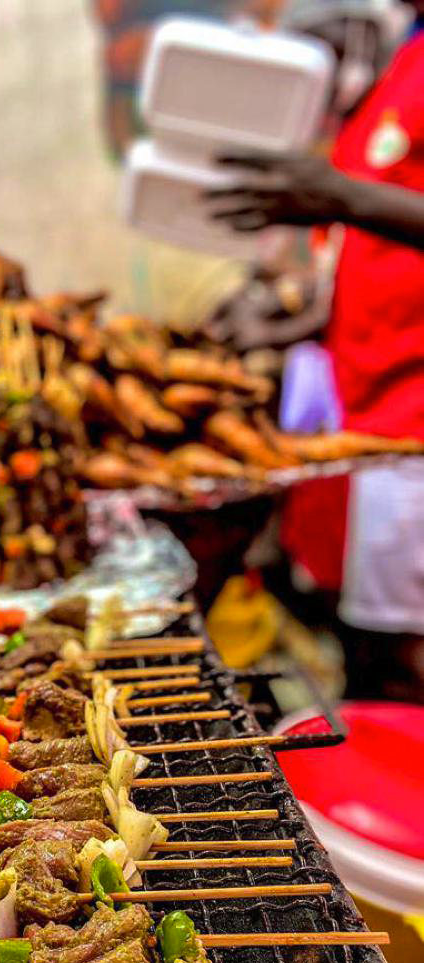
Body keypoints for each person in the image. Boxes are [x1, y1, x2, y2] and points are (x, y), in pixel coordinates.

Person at [205, 0, 424, 698]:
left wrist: (341, 197)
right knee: (371, 650)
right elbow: (382, 251)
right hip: (379, 406)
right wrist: (306, 319)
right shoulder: (403, 61)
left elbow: (363, 209)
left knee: (401, 663)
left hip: (415, 404)